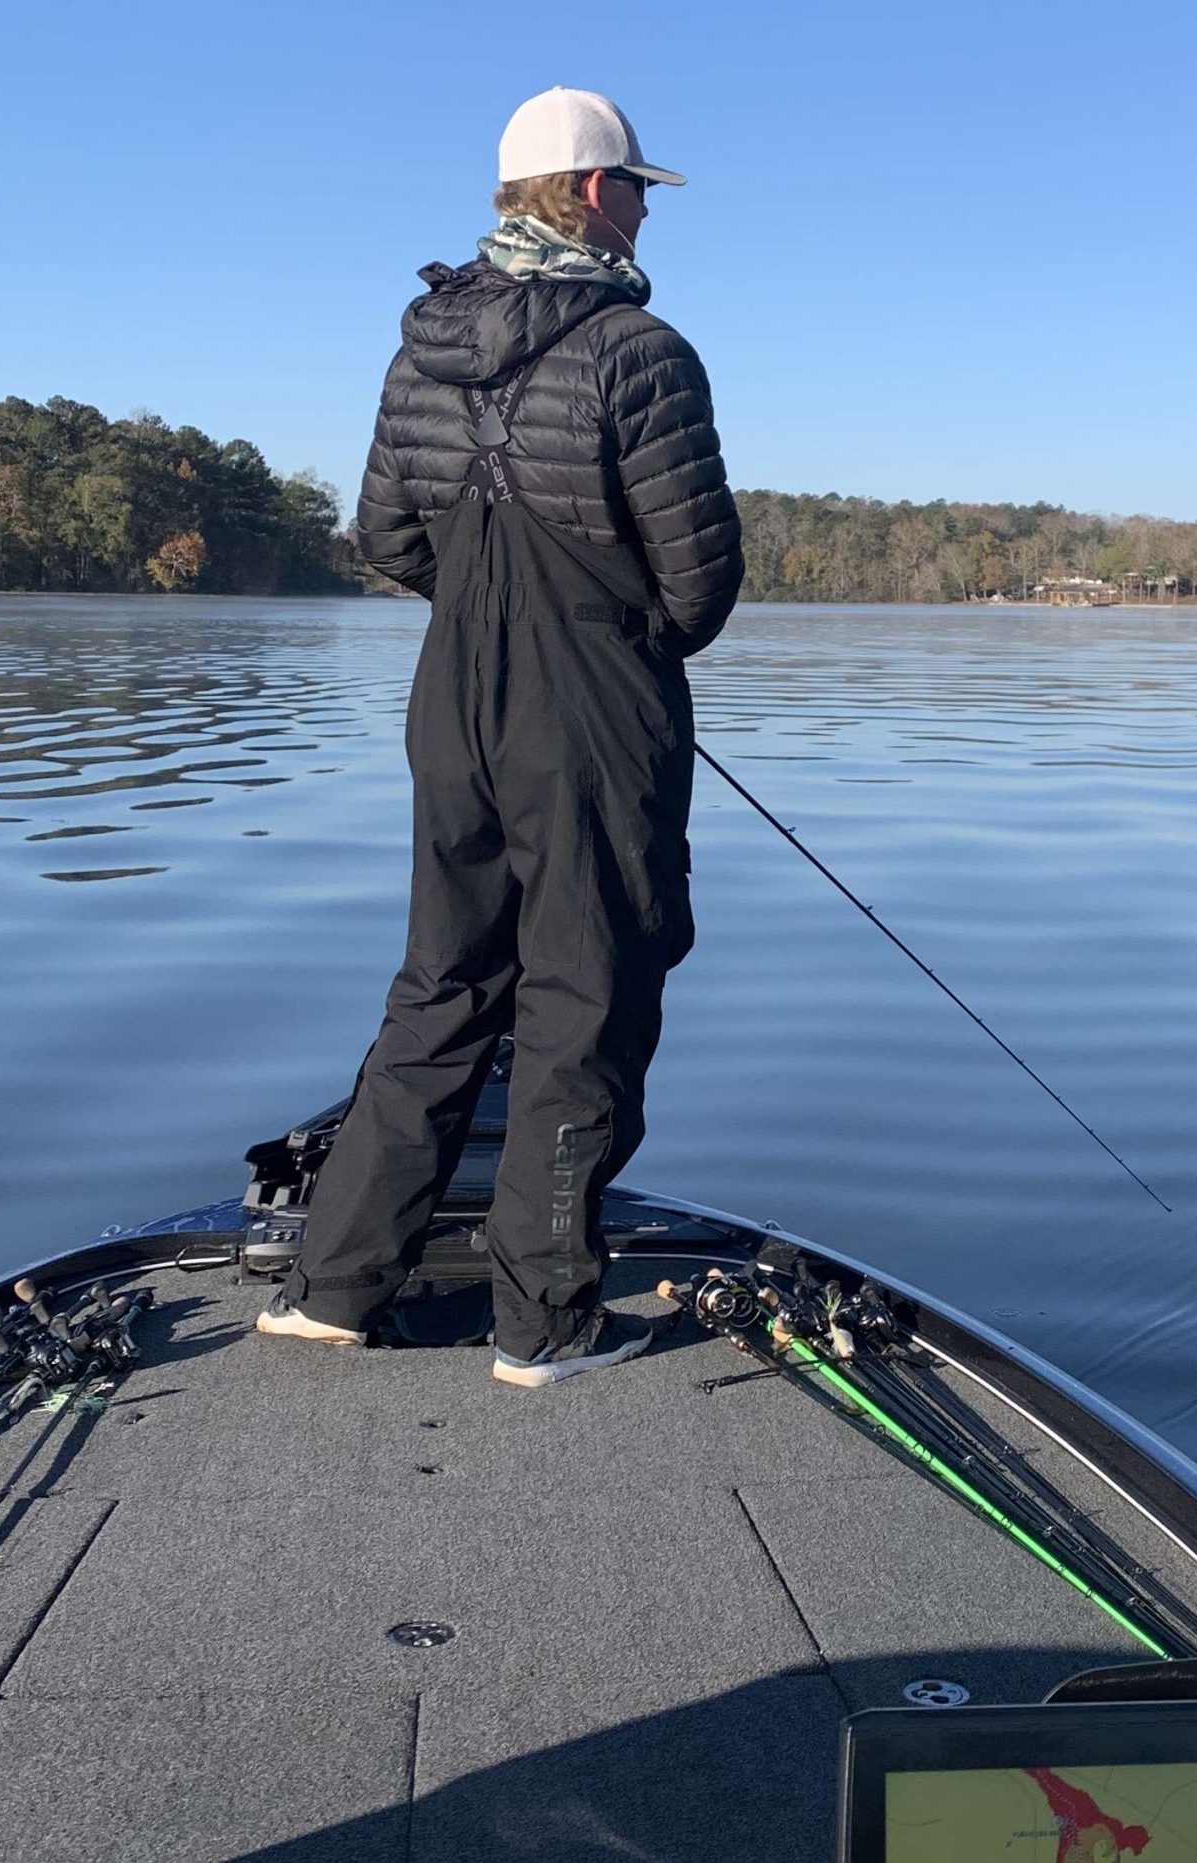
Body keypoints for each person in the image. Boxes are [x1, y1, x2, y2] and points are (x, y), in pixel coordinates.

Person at [257, 87, 743, 1386]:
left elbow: (386, 538)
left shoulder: (418, 352)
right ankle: (544, 1322)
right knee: (586, 998)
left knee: (443, 983)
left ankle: (334, 1289)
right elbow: (700, 581)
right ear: (590, 192)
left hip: (452, 703)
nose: (645, 210)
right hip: (594, 715)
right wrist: (599, 642)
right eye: (636, 187)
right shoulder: (640, 352)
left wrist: (491, 620)